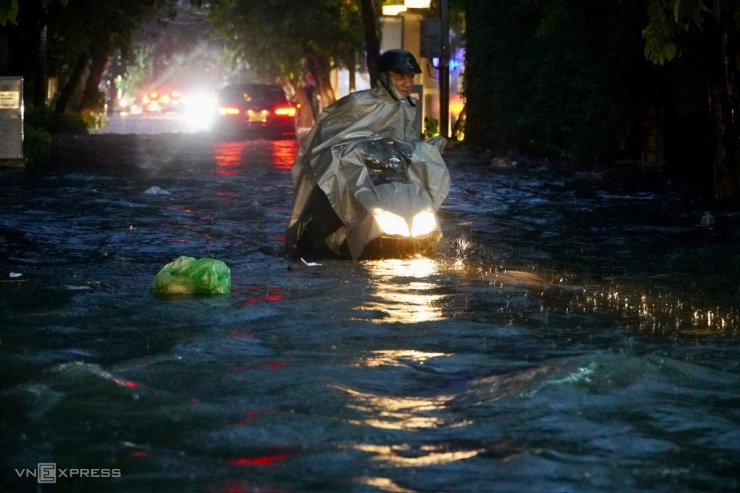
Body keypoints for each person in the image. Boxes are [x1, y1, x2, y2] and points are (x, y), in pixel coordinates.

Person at [285, 49, 449, 258]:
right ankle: (310, 249)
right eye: (400, 77)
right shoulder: (357, 103)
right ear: (385, 77)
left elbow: (406, 141)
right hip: (342, 172)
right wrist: (352, 152)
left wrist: (425, 150)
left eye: (410, 77)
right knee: (322, 227)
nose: (407, 82)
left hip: (382, 173)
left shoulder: (409, 107)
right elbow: (327, 138)